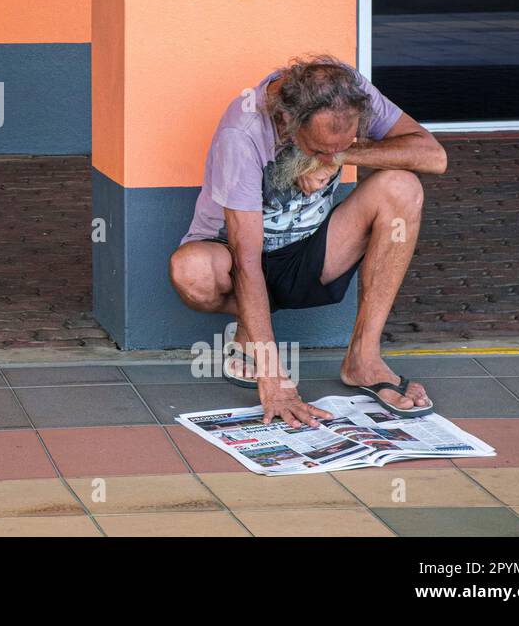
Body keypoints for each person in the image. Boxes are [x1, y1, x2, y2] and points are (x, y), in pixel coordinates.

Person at [169, 55, 448, 426]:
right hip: (235, 259)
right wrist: (277, 384)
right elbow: (246, 260)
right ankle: (251, 332)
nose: (329, 157)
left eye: (340, 145)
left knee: (401, 186)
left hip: (311, 252)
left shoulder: (350, 93)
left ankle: (363, 359)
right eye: (318, 148)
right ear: (286, 120)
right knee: (191, 270)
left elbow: (434, 156)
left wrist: (339, 155)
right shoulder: (244, 131)